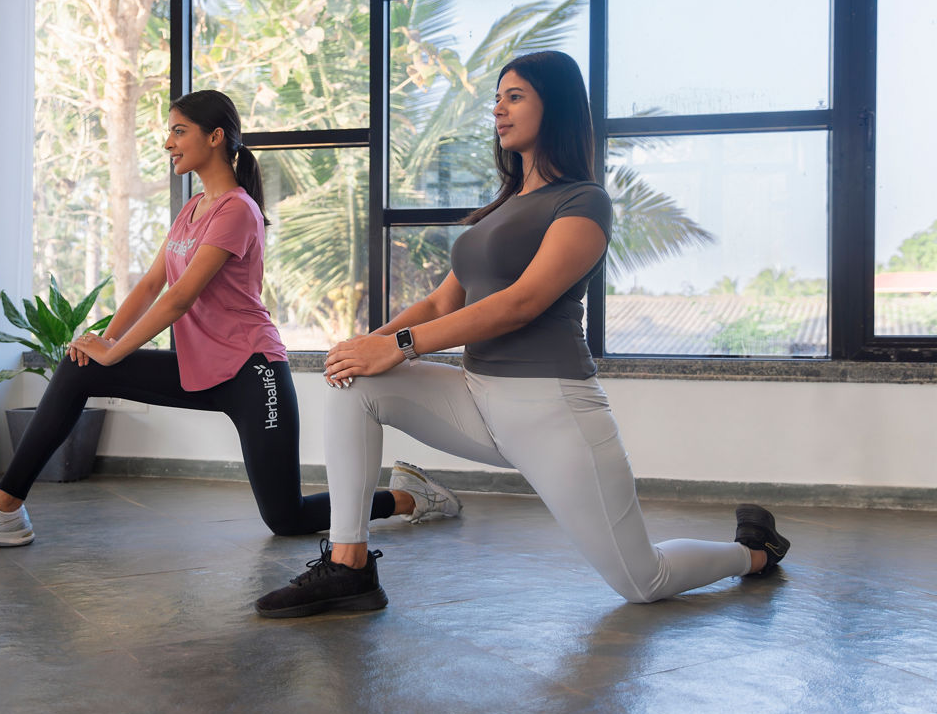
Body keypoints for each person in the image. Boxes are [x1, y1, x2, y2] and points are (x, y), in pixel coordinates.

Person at [253, 51, 790, 618]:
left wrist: (400, 347)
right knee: (357, 385)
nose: (498, 110)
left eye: (515, 97)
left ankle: (752, 553)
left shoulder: (584, 201)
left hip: (552, 410)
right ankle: (350, 567)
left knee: (642, 579)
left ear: (552, 106)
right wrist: (366, 345)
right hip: (477, 395)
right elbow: (441, 301)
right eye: (497, 98)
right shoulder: (501, 210)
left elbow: (522, 302)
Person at [0, 89, 461, 551]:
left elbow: (180, 297)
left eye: (179, 131)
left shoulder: (237, 210)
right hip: (201, 368)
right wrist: (103, 341)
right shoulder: (192, 209)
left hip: (253, 374)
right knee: (80, 365)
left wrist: (118, 350)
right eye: (168, 132)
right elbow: (150, 286)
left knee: (287, 518)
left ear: (216, 137)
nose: (167, 143)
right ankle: (5, 510)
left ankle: (412, 495)